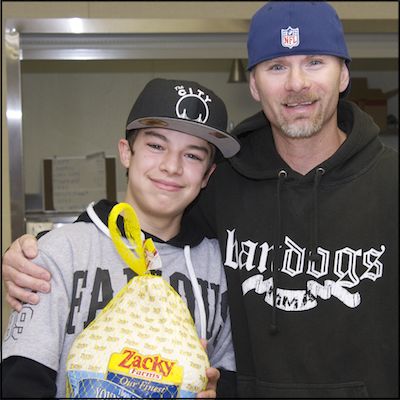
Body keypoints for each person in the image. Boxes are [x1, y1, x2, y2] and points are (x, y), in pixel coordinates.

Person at [3, 1, 399, 398]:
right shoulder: (226, 183)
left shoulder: (389, 182)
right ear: (255, 84)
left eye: (315, 62)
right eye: (277, 66)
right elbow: (150, 224)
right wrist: (37, 253)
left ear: (344, 74)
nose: (296, 83)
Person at [1, 78, 239, 398]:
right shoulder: (61, 252)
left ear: (208, 175)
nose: (171, 166)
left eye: (193, 156)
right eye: (156, 146)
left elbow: (229, 378)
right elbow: (20, 380)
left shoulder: (220, 266)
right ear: (126, 153)